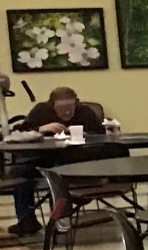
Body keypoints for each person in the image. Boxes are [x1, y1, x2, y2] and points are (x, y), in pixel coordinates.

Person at [9, 86, 107, 234]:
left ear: (76, 103)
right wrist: (41, 129)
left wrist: (83, 135)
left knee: (58, 175)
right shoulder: (41, 111)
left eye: (70, 107)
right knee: (20, 171)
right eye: (62, 108)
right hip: (44, 157)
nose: (67, 112)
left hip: (77, 160)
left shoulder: (85, 112)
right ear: (52, 105)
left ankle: (60, 220)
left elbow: (100, 135)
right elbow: (19, 132)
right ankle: (26, 220)